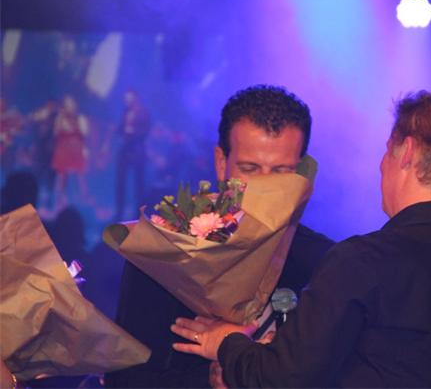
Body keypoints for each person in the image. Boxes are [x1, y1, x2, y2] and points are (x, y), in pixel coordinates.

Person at [170, 91, 431, 388]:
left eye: (387, 151)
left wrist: (226, 343)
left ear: (407, 152)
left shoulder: (362, 260)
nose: (381, 165)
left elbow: (284, 378)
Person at [105, 85, 334, 388]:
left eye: (281, 172)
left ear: (301, 177)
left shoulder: (324, 262)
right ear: (221, 163)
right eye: (250, 169)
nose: (265, 187)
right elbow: (127, 378)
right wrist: (214, 376)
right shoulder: (165, 251)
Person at [114, 90, 151, 221]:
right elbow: (121, 128)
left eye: (129, 98)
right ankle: (119, 212)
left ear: (135, 98)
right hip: (125, 149)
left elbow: (146, 130)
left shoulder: (144, 112)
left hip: (137, 150)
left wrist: (132, 131)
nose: (126, 101)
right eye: (126, 98)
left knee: (139, 184)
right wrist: (118, 130)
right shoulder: (126, 112)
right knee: (120, 181)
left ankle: (139, 213)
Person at [51, 95, 89, 207]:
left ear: (75, 105)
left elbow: (85, 133)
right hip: (63, 148)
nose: (69, 106)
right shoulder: (60, 118)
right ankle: (60, 200)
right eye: (67, 104)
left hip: (76, 147)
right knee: (61, 175)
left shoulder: (80, 118)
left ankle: (83, 199)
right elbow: (55, 133)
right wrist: (61, 121)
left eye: (71, 104)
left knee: (80, 175)